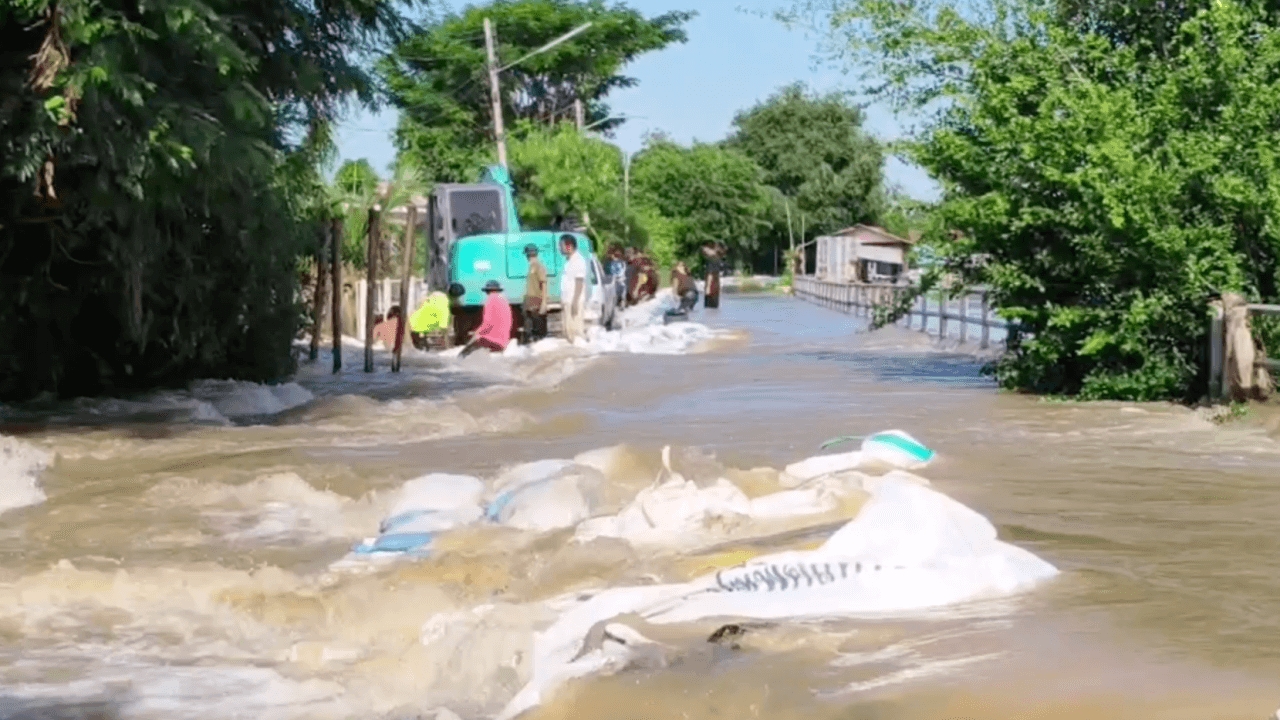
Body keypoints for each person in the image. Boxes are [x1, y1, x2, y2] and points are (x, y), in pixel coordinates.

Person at [460, 280, 512, 357]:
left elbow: (488, 323)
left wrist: (478, 332)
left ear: (487, 290)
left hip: (491, 340)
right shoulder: (504, 301)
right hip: (503, 342)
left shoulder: (491, 300)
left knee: (463, 354)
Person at [559, 234, 588, 343]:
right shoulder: (569, 261)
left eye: (561, 245)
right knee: (568, 331)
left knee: (576, 332)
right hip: (568, 300)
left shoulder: (578, 260)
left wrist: (575, 301)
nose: (560, 248)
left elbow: (579, 282)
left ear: (569, 246)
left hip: (574, 301)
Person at [522, 243, 549, 344]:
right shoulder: (531, 267)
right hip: (530, 300)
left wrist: (544, 302)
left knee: (538, 328)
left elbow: (544, 284)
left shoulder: (539, 267)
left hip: (536, 300)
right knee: (530, 327)